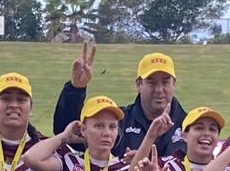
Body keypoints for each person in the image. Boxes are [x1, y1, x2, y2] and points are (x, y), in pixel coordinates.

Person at [52, 41, 187, 157]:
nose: (159, 89)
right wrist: (76, 89)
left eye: (165, 82)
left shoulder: (190, 125)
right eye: (151, 82)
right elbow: (68, 131)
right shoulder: (118, 121)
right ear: (139, 84)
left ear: (174, 84)